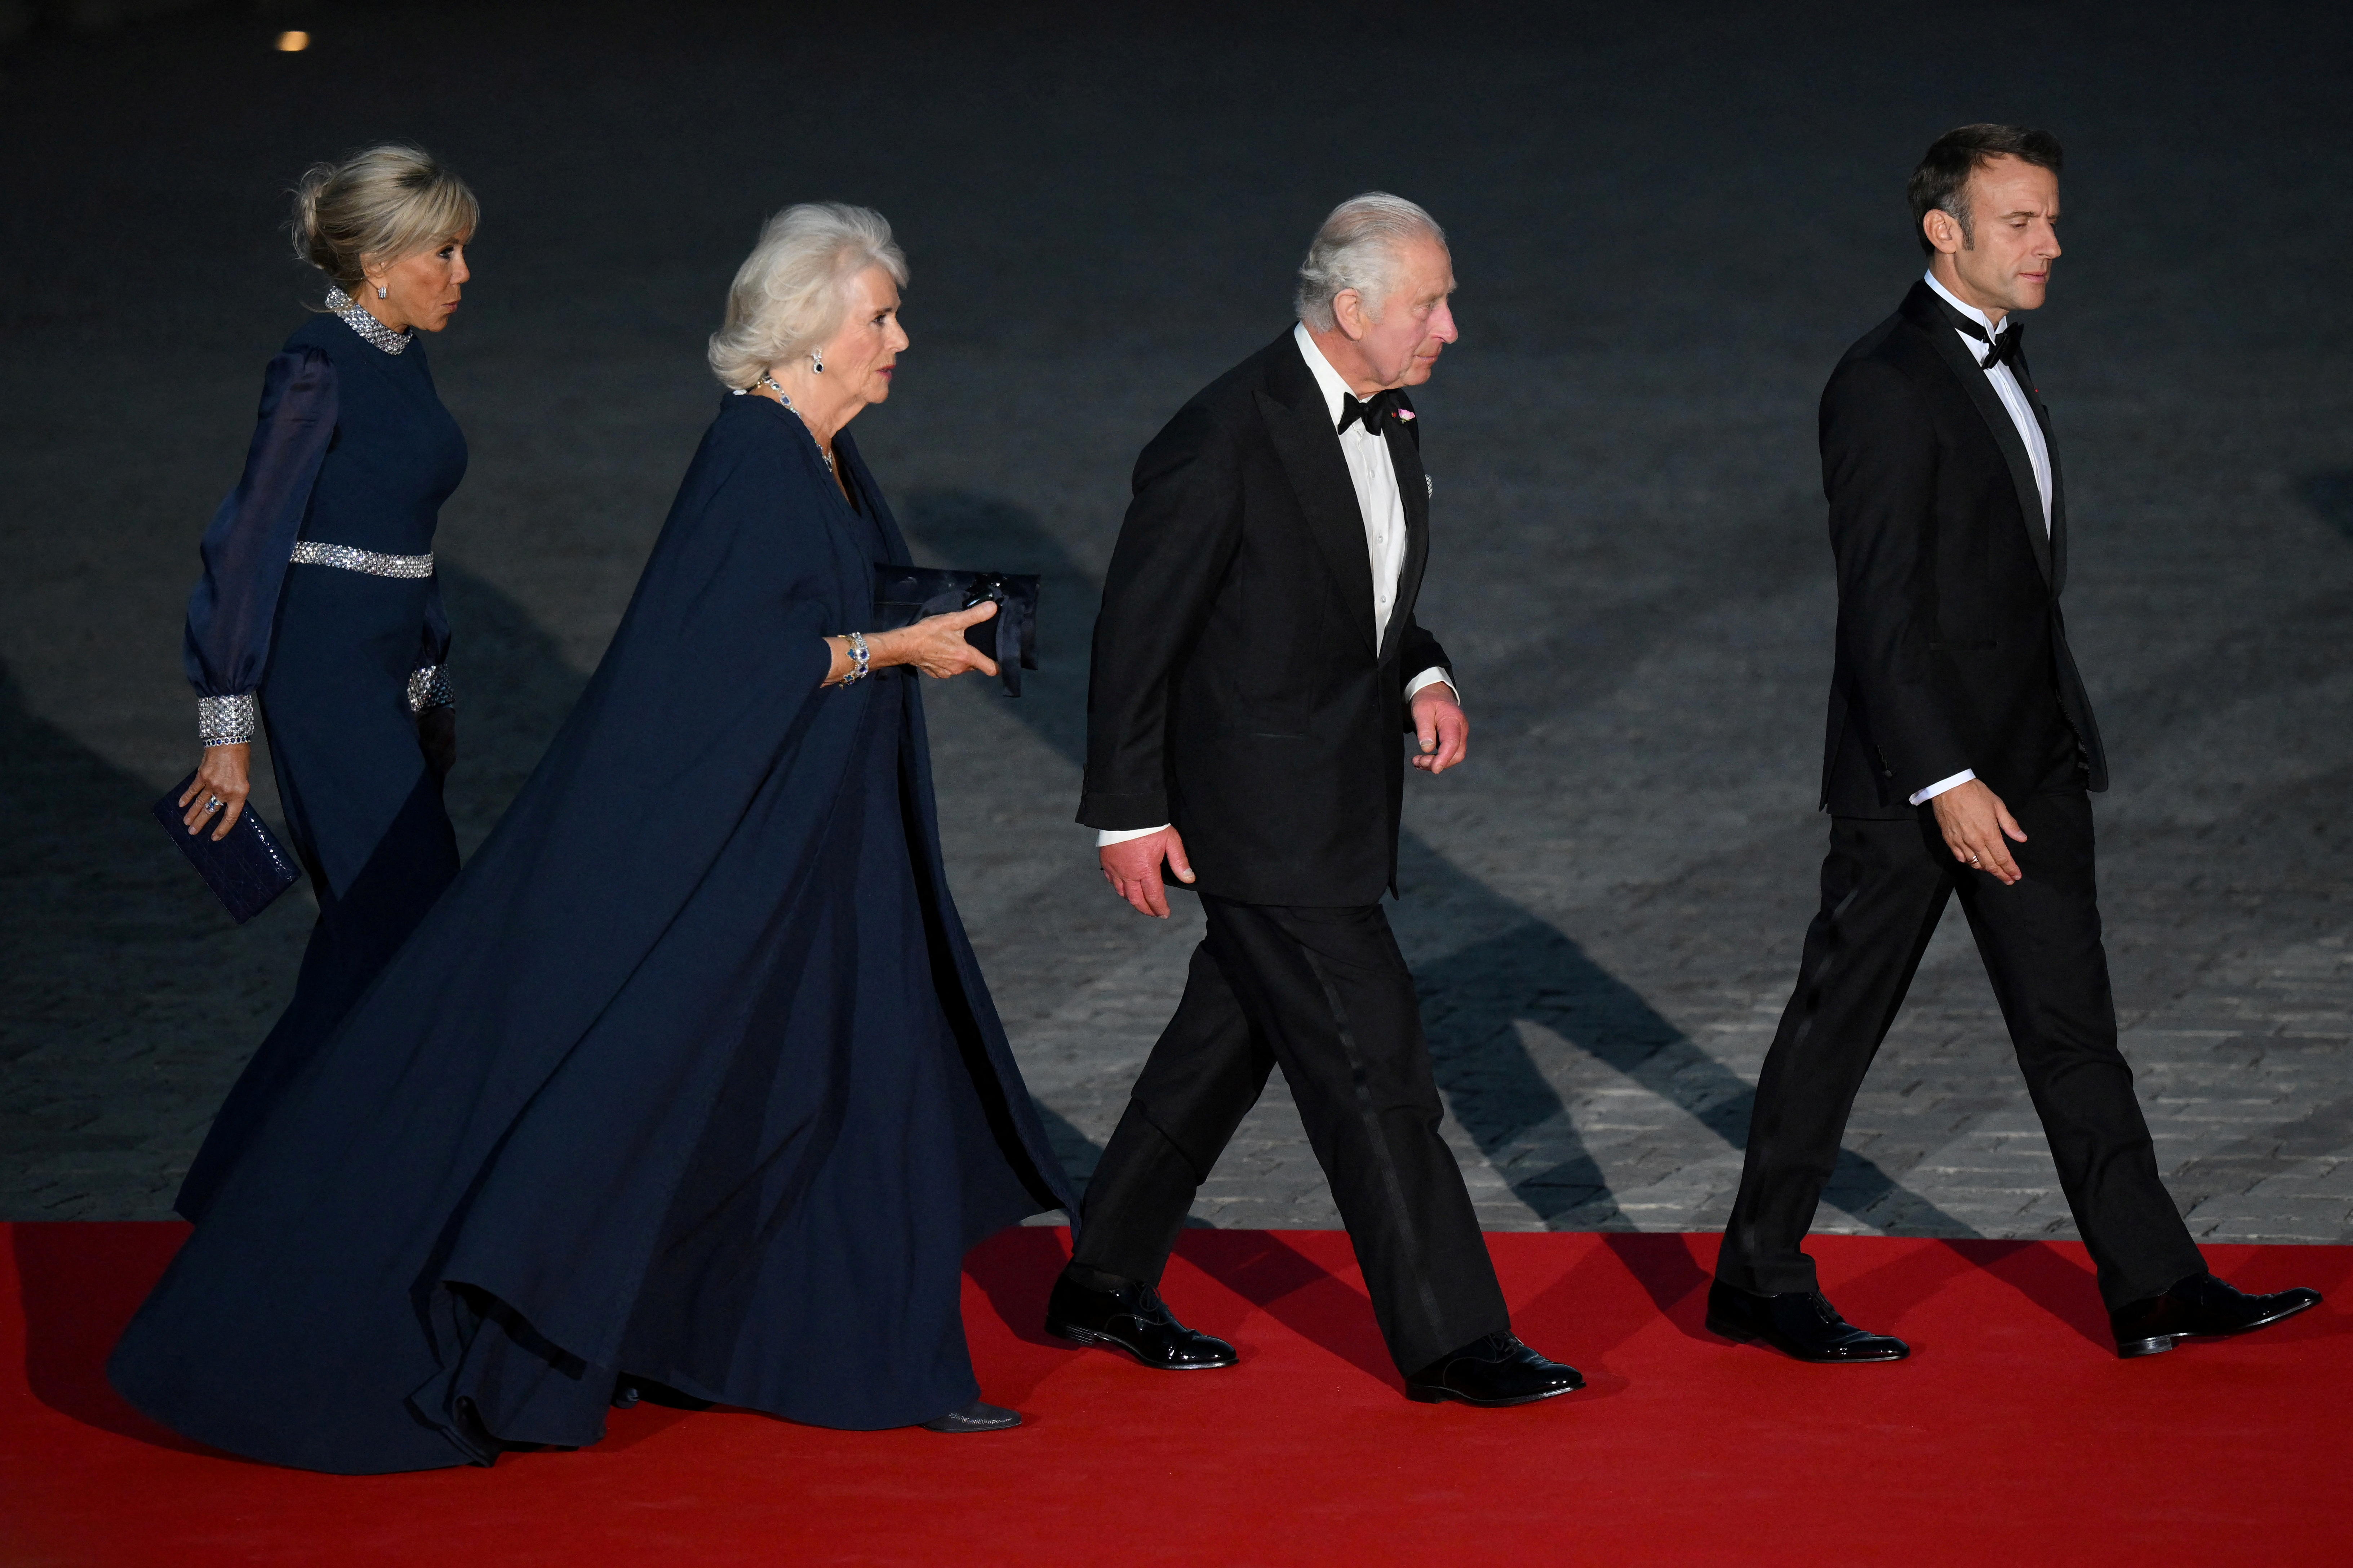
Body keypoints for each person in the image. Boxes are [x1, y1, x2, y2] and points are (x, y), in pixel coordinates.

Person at [110, 203, 1074, 1472]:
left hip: (824, 834)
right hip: (729, 853)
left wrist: (939, 619)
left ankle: (863, 1355)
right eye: (880, 316)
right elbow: (716, 661)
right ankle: (584, 1327)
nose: (901, 337)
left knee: (849, 1073)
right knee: (678, 1083)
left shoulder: (829, 454)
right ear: (805, 335)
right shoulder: (751, 453)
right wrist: (888, 648)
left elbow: (813, 600)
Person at [1709, 126, 2321, 1362]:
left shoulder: (2004, 363)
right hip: (1914, 780)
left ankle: (2152, 1283)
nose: (2049, 244)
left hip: (2031, 763)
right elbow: (1880, 610)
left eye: (2051, 220)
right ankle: (1757, 1278)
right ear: (1944, 231)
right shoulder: (1882, 383)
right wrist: (1945, 781)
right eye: (2020, 223)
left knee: (2072, 1031)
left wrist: (2029, 751)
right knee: (1838, 1027)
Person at [1052, 194, 1584, 1407]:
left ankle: (1100, 1278)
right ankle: (1453, 1341)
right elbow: (1135, 639)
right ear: (1351, 310)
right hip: (1262, 821)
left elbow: (1364, 593)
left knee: (1216, 1051)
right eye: (1428, 305)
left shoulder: (1389, 417)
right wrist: (1128, 814)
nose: (1450, 327)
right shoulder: (1218, 440)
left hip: (1337, 806)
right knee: (1375, 1067)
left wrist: (1424, 672)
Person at [173, 144, 476, 1221]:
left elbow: (408, 543)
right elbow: (251, 542)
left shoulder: (402, 354)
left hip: (385, 678)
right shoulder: (316, 361)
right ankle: (288, 1189)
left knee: (370, 934)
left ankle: (256, 1185)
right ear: (379, 259)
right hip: (323, 681)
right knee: (413, 922)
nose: (461, 272)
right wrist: (227, 728)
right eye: (442, 251)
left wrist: (429, 680)